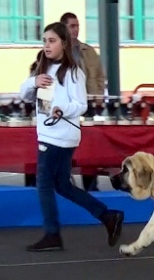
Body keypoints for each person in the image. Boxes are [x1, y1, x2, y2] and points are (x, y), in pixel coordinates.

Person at [19, 22, 124, 252]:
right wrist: (33, 82)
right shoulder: (43, 68)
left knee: (44, 183)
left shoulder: (74, 72)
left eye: (52, 40)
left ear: (64, 44)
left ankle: (52, 233)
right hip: (49, 133)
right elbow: (25, 94)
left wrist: (60, 108)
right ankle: (107, 215)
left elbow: (81, 105)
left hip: (59, 136)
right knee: (62, 185)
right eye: (45, 40)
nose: (47, 45)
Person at [60, 12, 105, 192]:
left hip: (89, 107)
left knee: (89, 150)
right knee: (67, 148)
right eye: (72, 26)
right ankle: (65, 185)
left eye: (77, 26)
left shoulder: (88, 51)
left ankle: (91, 186)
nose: (76, 29)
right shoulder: (57, 52)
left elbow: (100, 77)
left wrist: (99, 97)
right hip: (67, 109)